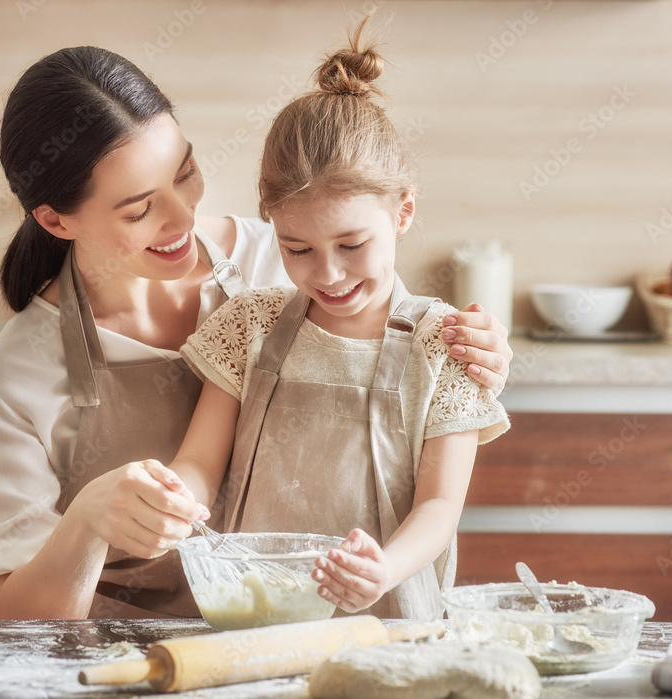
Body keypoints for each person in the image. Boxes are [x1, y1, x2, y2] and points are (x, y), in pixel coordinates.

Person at [0, 45, 514, 620]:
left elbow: (385, 313)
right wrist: (88, 520)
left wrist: (478, 349)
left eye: (184, 173)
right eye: (138, 210)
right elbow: (21, 618)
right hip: (129, 648)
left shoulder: (288, 253)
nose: (182, 220)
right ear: (56, 220)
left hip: (324, 621)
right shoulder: (16, 373)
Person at [156, 21, 510, 620]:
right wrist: (170, 499)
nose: (328, 274)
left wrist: (383, 570)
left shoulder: (444, 345)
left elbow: (439, 508)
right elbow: (199, 463)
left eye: (351, 245)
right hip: (253, 614)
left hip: (390, 620)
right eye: (297, 250)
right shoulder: (250, 324)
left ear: (403, 212)